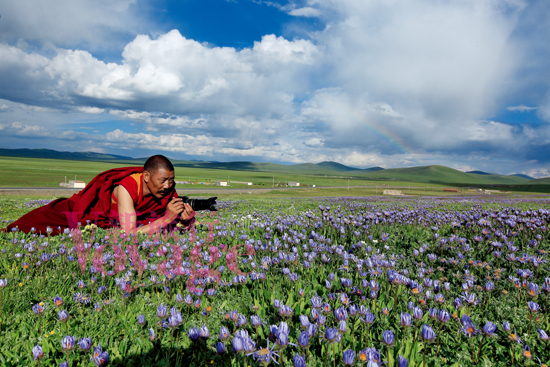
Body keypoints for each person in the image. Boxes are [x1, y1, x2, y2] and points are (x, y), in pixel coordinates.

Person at [5, 155, 195, 235]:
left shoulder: (167, 190)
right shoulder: (127, 187)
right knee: (38, 222)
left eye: (171, 180)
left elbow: (167, 217)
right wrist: (166, 219)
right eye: (162, 180)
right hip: (85, 212)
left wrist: (184, 220)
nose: (168, 186)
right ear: (146, 176)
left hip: (113, 220)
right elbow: (128, 234)